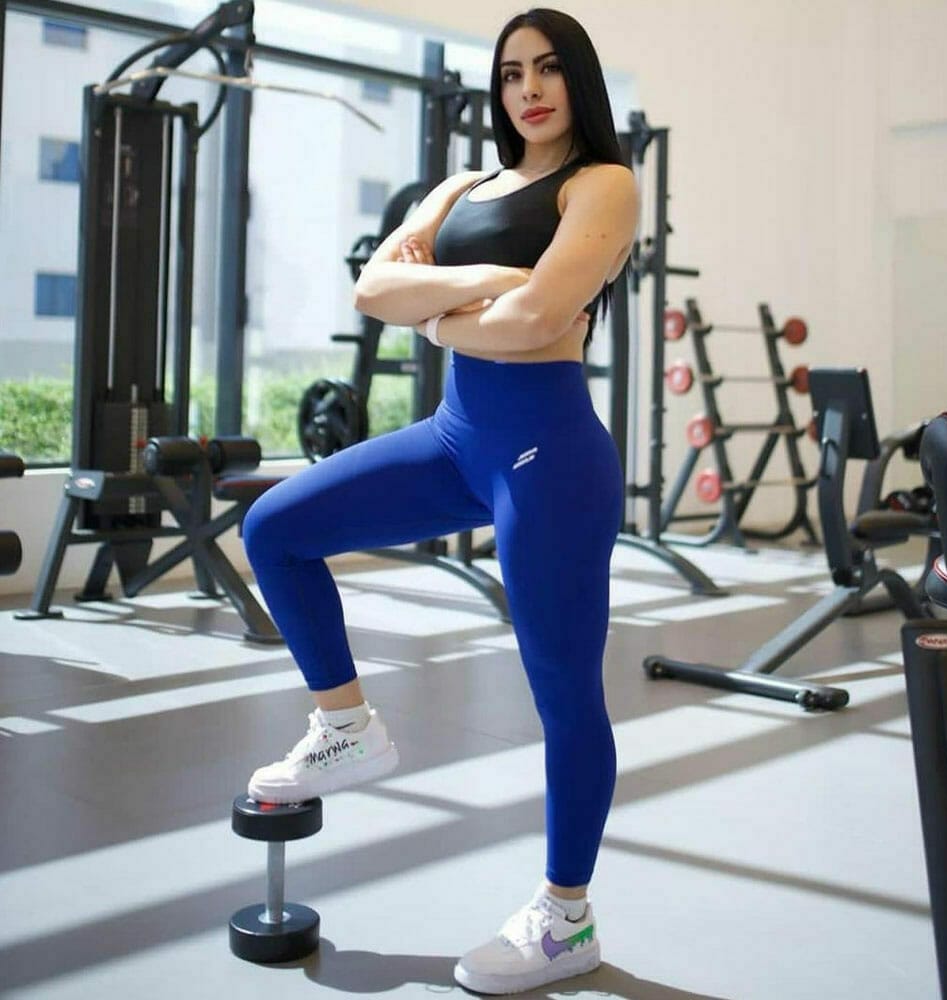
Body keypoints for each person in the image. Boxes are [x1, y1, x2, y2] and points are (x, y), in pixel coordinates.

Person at [242, 7, 638, 994]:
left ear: (578, 80)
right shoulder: (463, 184)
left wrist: (439, 315)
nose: (528, 89)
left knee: (563, 691)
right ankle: (345, 725)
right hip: (456, 440)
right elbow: (375, 288)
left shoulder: (602, 183)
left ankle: (566, 918)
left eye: (548, 69)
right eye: (511, 73)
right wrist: (487, 286)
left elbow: (541, 316)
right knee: (275, 528)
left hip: (549, 459)